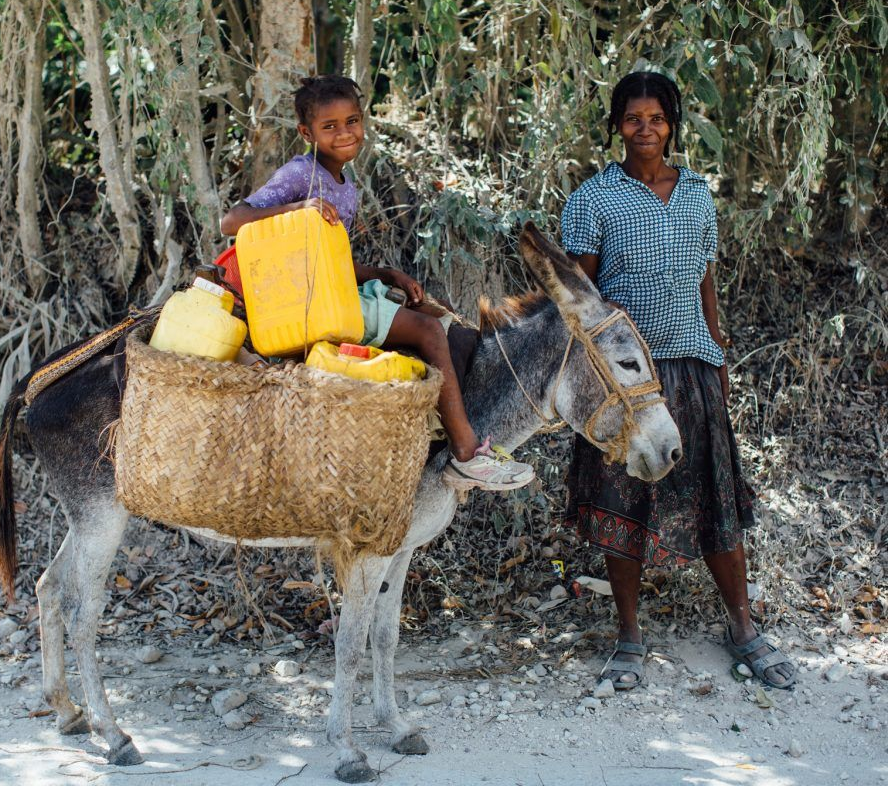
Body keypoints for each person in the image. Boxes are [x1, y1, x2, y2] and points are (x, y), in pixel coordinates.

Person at [560, 71, 796, 690]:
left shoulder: (695, 194)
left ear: (672, 124)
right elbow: (580, 303)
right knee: (622, 502)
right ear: (616, 125)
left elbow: (705, 284)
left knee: (714, 497)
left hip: (690, 368)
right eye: (633, 118)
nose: (646, 129)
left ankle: (743, 627)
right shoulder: (593, 200)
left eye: (657, 118)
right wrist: (592, 386)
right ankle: (630, 638)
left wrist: (716, 354)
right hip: (624, 384)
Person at [220, 75, 533, 491]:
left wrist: (386, 274)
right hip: (304, 300)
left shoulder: (345, 184)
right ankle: (466, 452)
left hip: (327, 287)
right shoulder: (301, 174)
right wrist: (300, 205)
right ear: (305, 133)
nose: (344, 132)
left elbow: (332, 260)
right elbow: (231, 222)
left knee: (426, 309)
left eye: (352, 121)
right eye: (329, 126)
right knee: (427, 332)